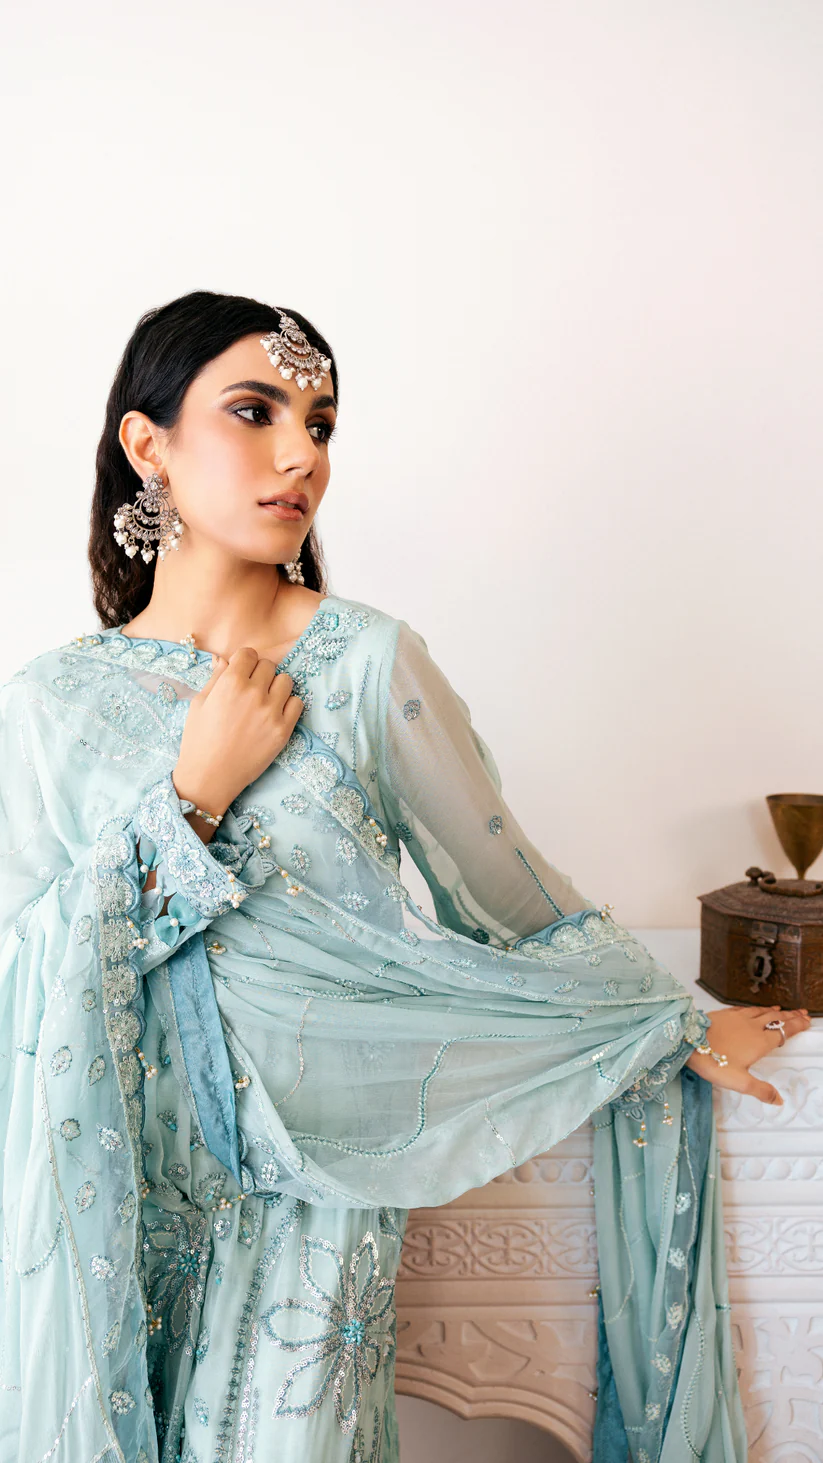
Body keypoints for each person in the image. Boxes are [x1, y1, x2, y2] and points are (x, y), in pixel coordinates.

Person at [0, 290, 808, 1463]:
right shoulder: (49, 707)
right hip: (112, 1193)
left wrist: (669, 1020)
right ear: (147, 443)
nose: (301, 456)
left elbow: (520, 905)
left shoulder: (366, 663)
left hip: (319, 1194)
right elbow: (24, 972)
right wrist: (192, 799)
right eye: (255, 411)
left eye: (321, 424)